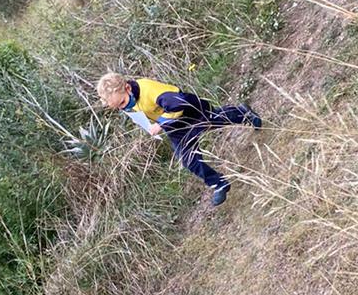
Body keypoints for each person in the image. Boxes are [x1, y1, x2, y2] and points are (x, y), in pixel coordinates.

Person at [96, 71, 259, 209]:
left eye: (123, 103)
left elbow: (179, 104)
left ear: (127, 88)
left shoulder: (150, 91)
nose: (123, 108)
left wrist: (160, 123)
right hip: (174, 127)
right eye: (118, 107)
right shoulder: (127, 100)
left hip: (190, 110)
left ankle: (243, 113)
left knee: (216, 119)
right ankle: (219, 183)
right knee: (188, 159)